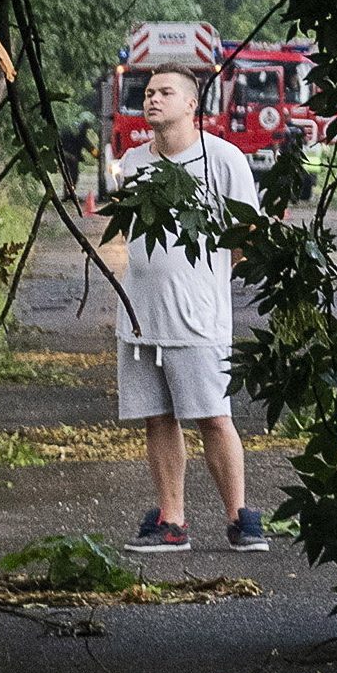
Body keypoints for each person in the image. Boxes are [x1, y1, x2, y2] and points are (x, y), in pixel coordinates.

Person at [104, 63, 268, 551]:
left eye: (165, 92)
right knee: (157, 418)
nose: (152, 99)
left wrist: (207, 280)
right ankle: (171, 522)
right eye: (148, 92)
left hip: (198, 319)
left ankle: (240, 518)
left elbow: (247, 238)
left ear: (192, 104)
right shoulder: (132, 163)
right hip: (138, 316)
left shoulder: (222, 160)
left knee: (213, 416)